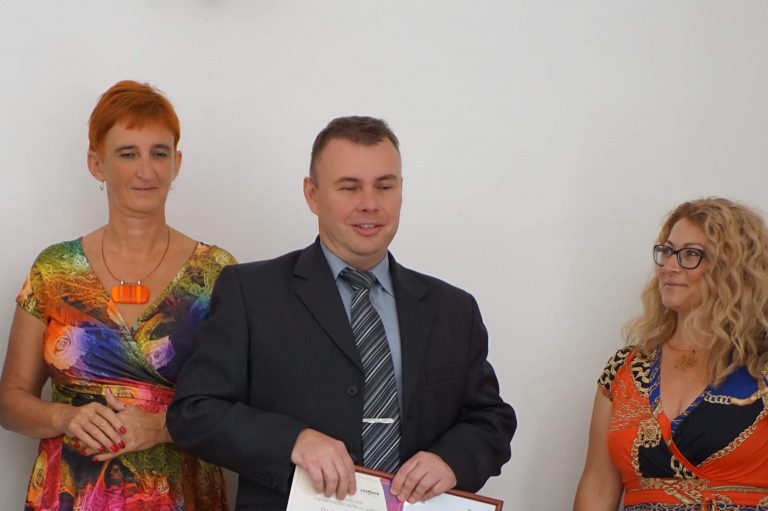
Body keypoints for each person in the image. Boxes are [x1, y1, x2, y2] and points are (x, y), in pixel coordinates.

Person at [167, 116, 516, 510]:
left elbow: (491, 419)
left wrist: (452, 460)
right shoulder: (251, 292)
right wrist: (293, 441)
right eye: (349, 187)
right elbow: (194, 414)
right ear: (312, 194)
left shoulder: (453, 309)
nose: (370, 203)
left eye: (384, 186)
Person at [0, 80, 236, 510]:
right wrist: (65, 416)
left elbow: (242, 403)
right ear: (96, 164)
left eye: (159, 153)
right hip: (70, 495)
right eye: (128, 154)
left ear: (177, 163)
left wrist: (162, 427)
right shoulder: (54, 270)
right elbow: (10, 400)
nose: (146, 170)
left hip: (180, 495)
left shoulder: (217, 273)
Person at [573, 197, 768, 511]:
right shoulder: (625, 368)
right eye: (666, 251)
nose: (669, 266)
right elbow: (597, 488)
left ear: (734, 268)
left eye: (691, 254)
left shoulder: (761, 367)